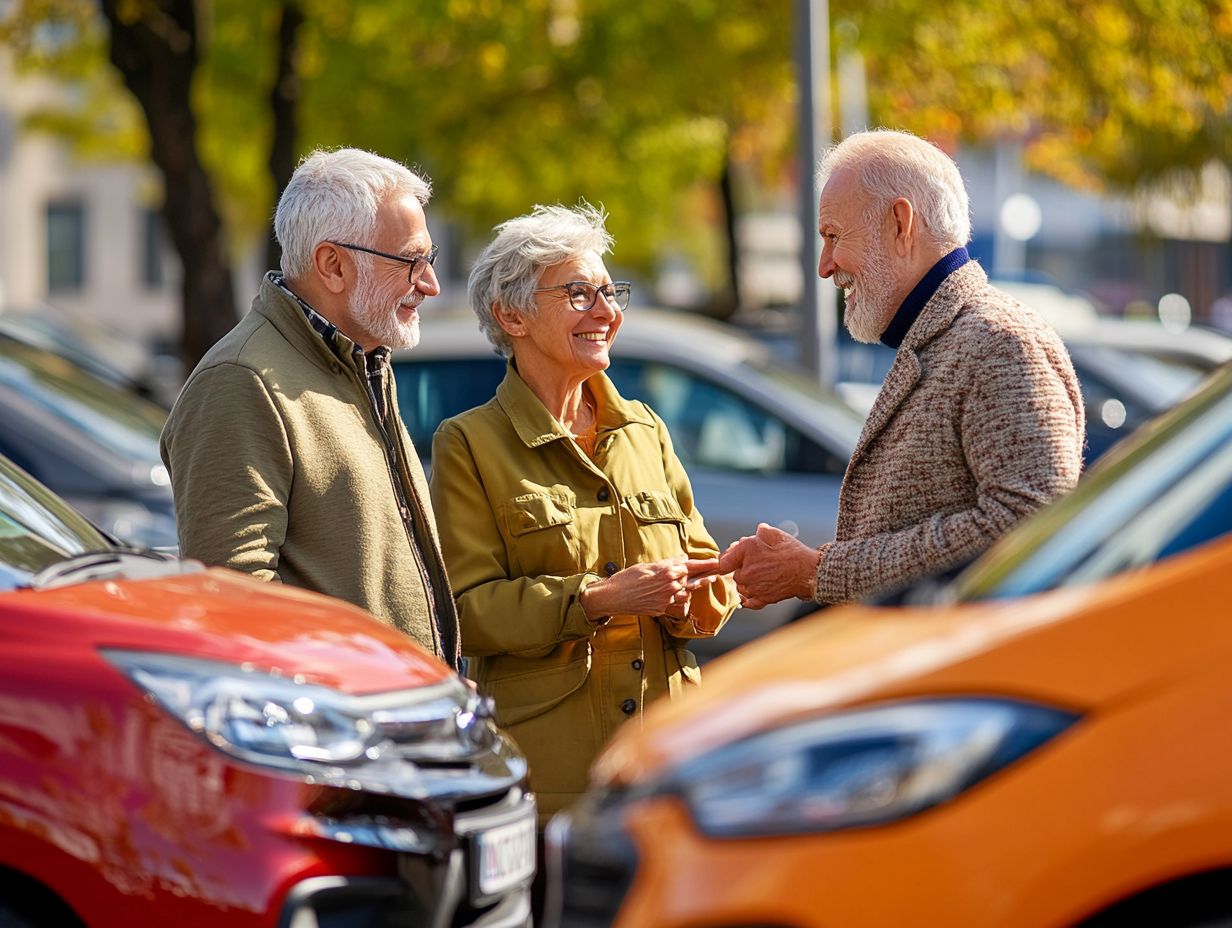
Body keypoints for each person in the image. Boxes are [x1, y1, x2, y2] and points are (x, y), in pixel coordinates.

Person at [429, 203, 737, 825]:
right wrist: (598, 599)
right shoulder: (468, 443)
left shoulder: (644, 428)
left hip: (663, 763)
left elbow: (712, 578)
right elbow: (465, 611)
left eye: (609, 291)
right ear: (511, 315)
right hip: (552, 774)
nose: (607, 312)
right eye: (579, 294)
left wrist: (690, 597)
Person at [720, 129, 1085, 608]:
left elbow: (1031, 520)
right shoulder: (953, 336)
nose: (825, 266)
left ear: (899, 222)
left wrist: (816, 571)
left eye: (832, 236)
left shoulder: (997, 341)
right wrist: (810, 565)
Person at [160, 148, 459, 668]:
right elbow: (238, 607)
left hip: (403, 721)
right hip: (348, 732)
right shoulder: (240, 380)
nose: (429, 284)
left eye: (428, 260)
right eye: (411, 261)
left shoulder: (361, 358)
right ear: (333, 265)